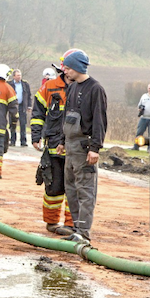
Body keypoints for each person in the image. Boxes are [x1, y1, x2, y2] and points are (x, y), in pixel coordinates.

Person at [56, 49, 107, 244]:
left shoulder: (95, 89)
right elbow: (65, 116)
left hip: (85, 148)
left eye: (67, 68)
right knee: (71, 189)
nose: (65, 72)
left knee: (85, 191)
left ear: (77, 67)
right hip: (70, 147)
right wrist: (62, 141)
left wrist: (95, 147)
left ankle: (83, 233)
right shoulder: (72, 88)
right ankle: (76, 228)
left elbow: (100, 121)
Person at [30, 63, 75, 236]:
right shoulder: (48, 88)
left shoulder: (84, 88)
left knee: (74, 188)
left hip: (76, 148)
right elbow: (38, 114)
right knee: (54, 187)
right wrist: (36, 136)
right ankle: (51, 221)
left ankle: (71, 224)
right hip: (54, 147)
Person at [8, 69, 32, 147]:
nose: (19, 77)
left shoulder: (25, 84)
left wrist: (29, 105)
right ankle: (12, 140)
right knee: (12, 124)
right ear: (14, 76)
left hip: (22, 106)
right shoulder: (9, 84)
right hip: (13, 107)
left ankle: (23, 141)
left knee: (23, 124)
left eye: (20, 75)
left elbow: (29, 96)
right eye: (18, 75)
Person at [133, 83, 150, 151]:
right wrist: (140, 109)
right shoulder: (144, 96)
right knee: (139, 132)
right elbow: (139, 105)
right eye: (149, 88)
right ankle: (136, 147)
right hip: (143, 117)